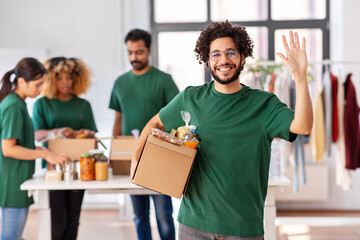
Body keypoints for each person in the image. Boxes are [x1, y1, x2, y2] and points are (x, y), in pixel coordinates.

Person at [131, 21, 313, 239]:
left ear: (243, 57)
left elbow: (303, 125)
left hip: (243, 228)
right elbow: (155, 124)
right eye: (215, 54)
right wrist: (137, 160)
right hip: (193, 225)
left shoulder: (263, 104)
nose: (223, 60)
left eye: (231, 52)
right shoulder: (191, 98)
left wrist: (300, 77)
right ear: (207, 60)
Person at [109, 29, 179, 240]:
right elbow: (118, 119)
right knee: (139, 215)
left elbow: (176, 117)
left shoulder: (164, 80)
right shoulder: (120, 82)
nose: (134, 57)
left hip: (160, 155)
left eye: (139, 52)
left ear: (149, 50)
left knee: (163, 214)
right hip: (132, 155)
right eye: (130, 52)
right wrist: (113, 151)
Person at [0, 58, 69, 240]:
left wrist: (44, 151)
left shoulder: (19, 103)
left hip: (17, 180)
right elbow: (8, 149)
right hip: (12, 184)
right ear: (22, 81)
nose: (40, 90)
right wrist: (44, 154)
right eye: (37, 85)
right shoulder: (13, 106)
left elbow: (21, 143)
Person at [32, 57, 98, 240]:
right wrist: (58, 131)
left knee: (72, 221)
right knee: (57, 222)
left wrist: (86, 133)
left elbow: (93, 135)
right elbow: (36, 135)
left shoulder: (84, 105)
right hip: (54, 169)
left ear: (76, 79)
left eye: (69, 78)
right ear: (51, 80)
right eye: (59, 78)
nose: (65, 83)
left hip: (80, 168)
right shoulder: (42, 104)